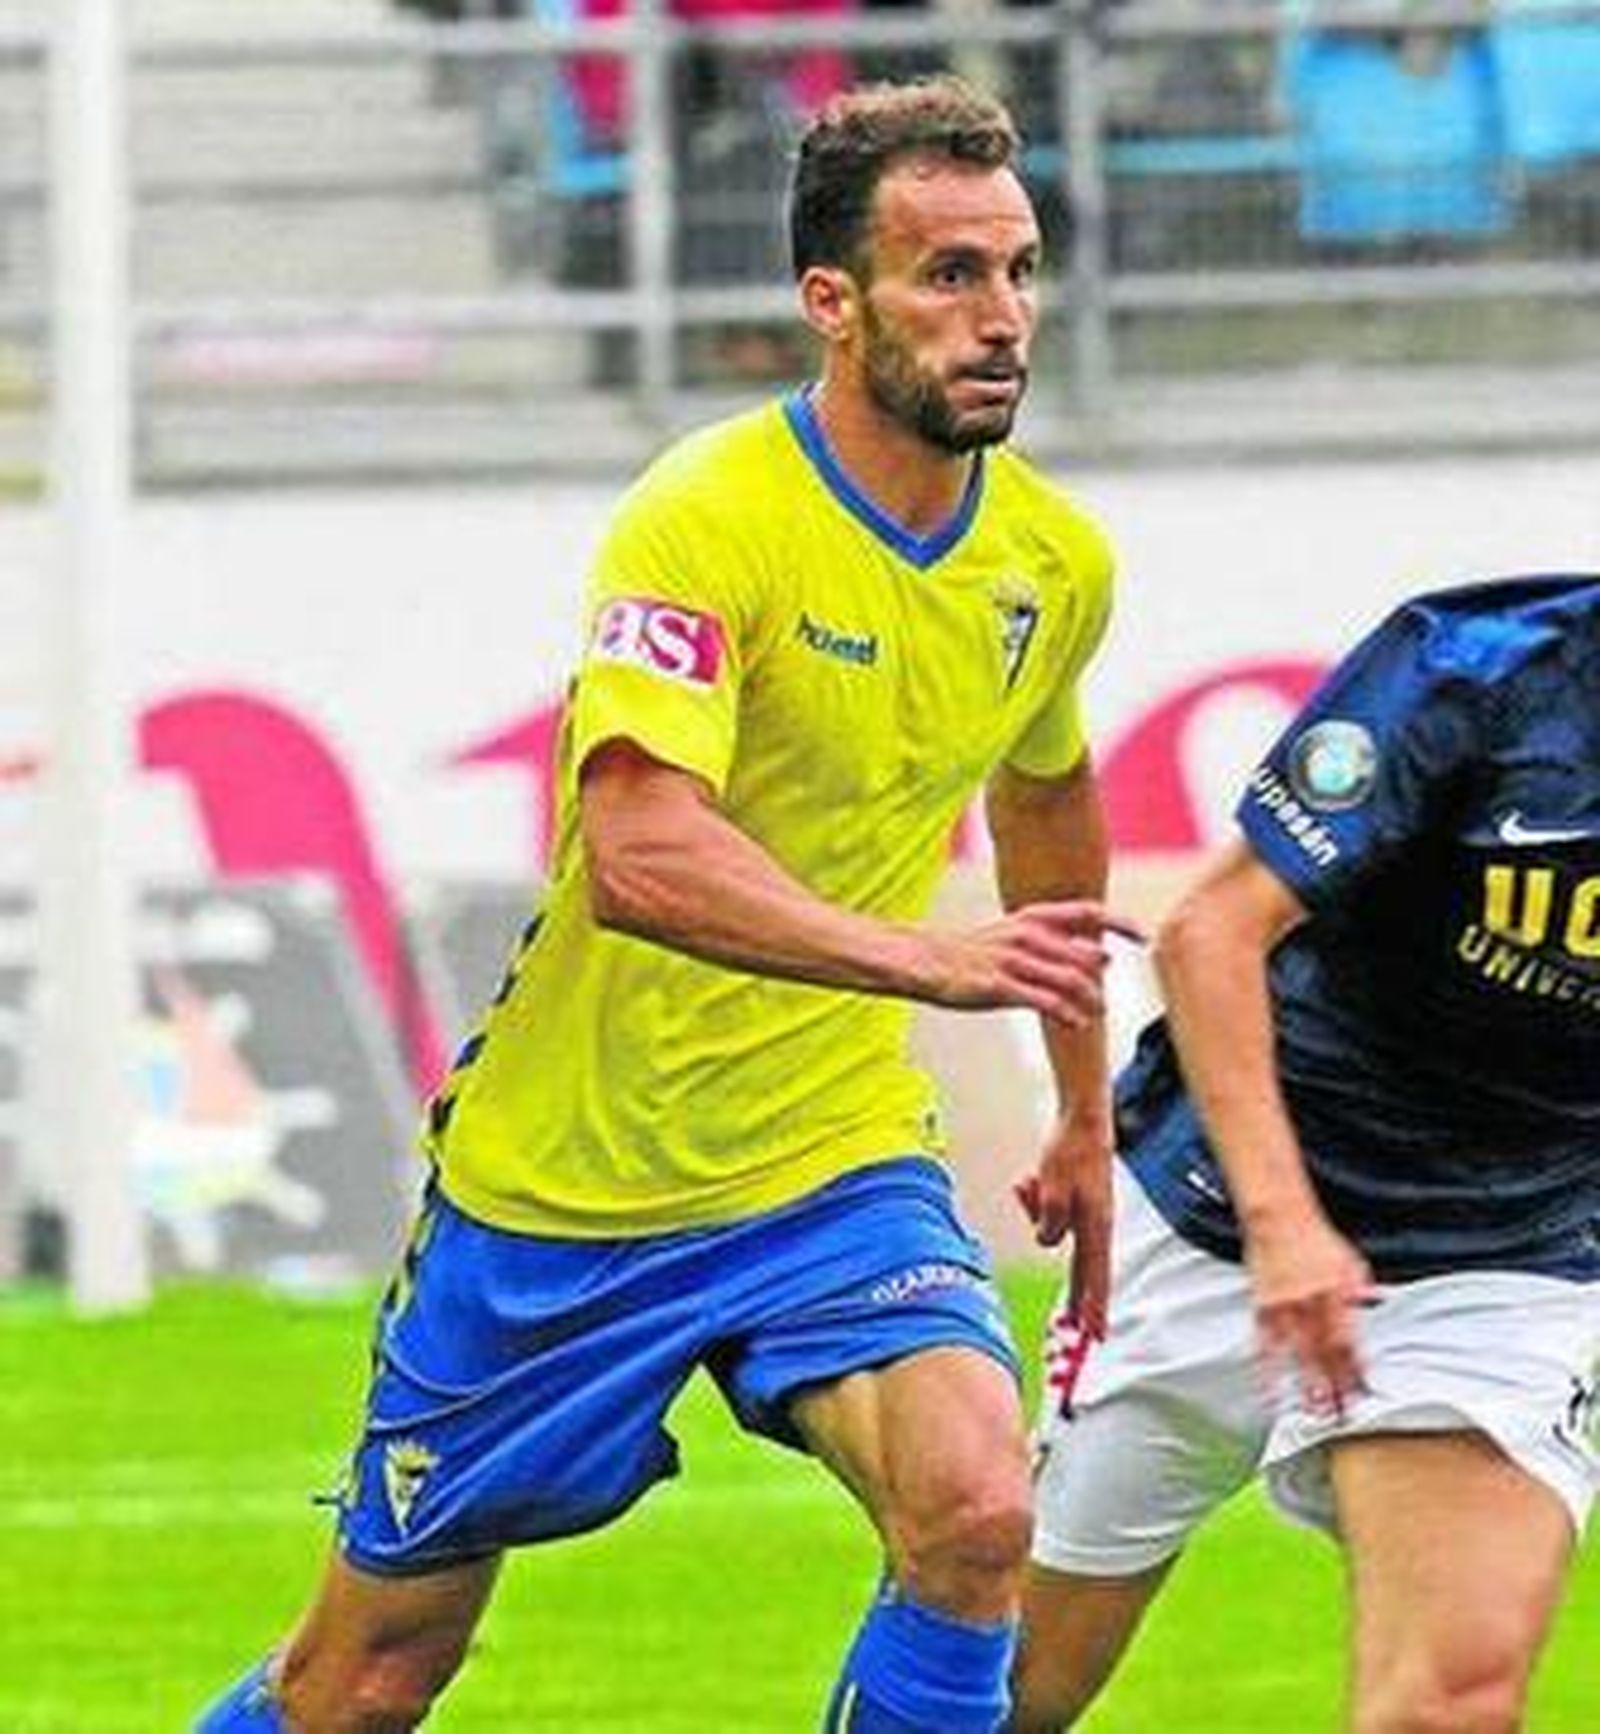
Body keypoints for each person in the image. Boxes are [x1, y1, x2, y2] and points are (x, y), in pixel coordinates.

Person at [199, 75, 1136, 1734]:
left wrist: (1080, 1108)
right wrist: (929, 952)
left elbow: (1046, 795)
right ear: (831, 302)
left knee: (982, 1509)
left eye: (1019, 269)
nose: (1002, 318)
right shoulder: (706, 518)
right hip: (570, 1180)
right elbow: (642, 856)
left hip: (828, 1152)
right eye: (950, 275)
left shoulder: (1051, 563)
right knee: (367, 1675)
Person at [1011, 572, 1600, 1732]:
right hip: (1217, 1212)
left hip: (1503, 1254)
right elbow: (1208, 933)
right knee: (1006, 1690)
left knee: (1452, 1704)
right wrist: (1286, 1230)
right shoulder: (1471, 671)